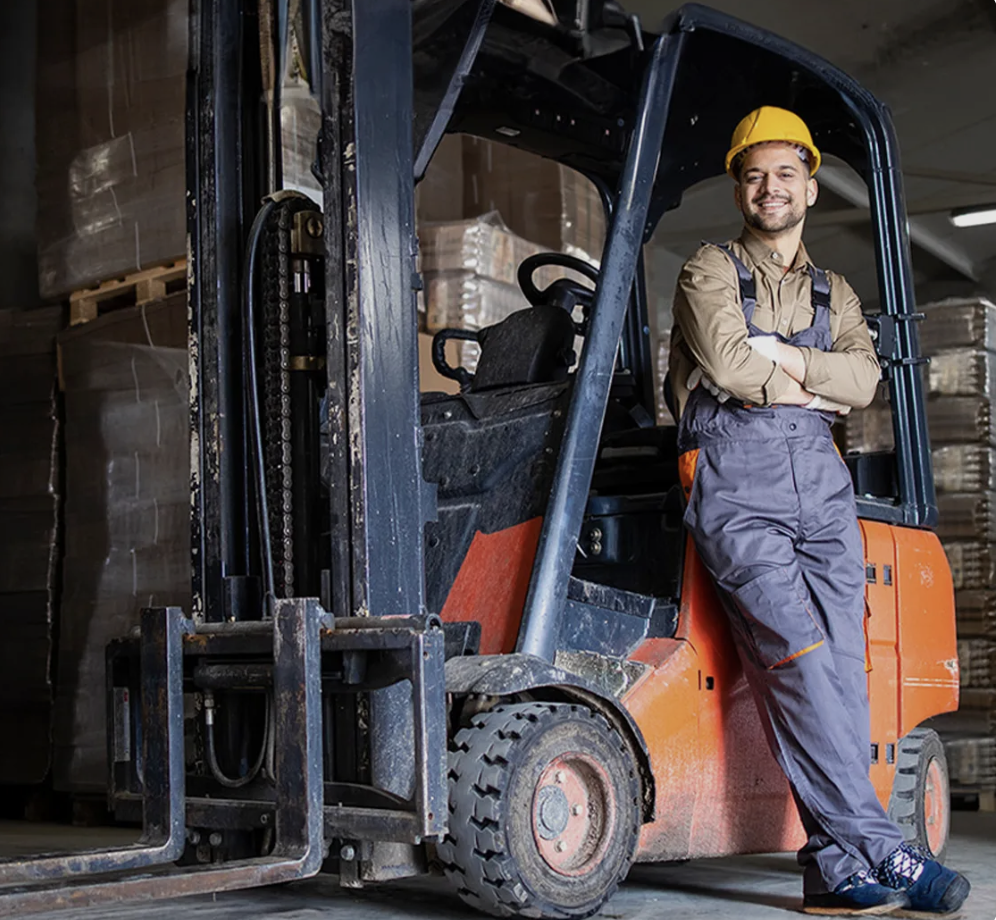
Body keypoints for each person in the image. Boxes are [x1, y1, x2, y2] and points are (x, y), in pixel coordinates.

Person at [668, 106, 971, 916]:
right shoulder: (707, 269)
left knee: (840, 672)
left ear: (809, 184)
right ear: (739, 186)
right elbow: (729, 367)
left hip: (822, 491)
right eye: (756, 174)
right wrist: (807, 382)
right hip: (739, 485)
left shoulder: (836, 290)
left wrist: (788, 362)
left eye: (786, 174)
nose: (771, 188)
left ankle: (833, 872)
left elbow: (865, 383)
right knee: (801, 661)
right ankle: (886, 851)